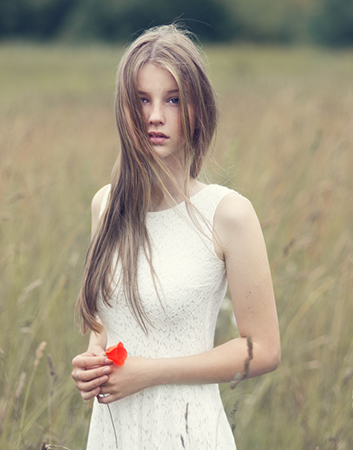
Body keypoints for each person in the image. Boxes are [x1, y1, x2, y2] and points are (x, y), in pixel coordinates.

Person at [71, 24, 280, 449]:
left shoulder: (227, 214)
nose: (155, 116)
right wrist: (95, 361)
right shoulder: (106, 206)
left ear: (198, 109)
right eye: (142, 100)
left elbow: (263, 349)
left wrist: (150, 372)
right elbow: (106, 327)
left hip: (190, 431)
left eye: (173, 100)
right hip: (113, 432)